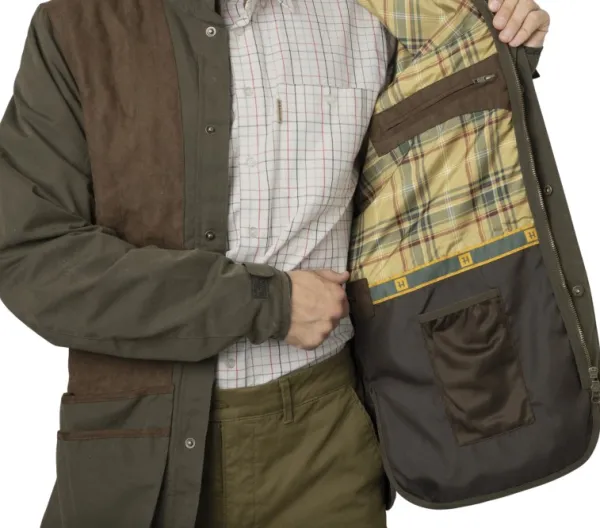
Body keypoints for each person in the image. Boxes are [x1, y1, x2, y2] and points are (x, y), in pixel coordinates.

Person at [0, 0, 550, 526]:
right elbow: (29, 254)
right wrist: (266, 303)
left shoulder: (373, 14)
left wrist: (502, 43)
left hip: (325, 441)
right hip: (136, 448)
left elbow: (450, 146)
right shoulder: (76, 28)